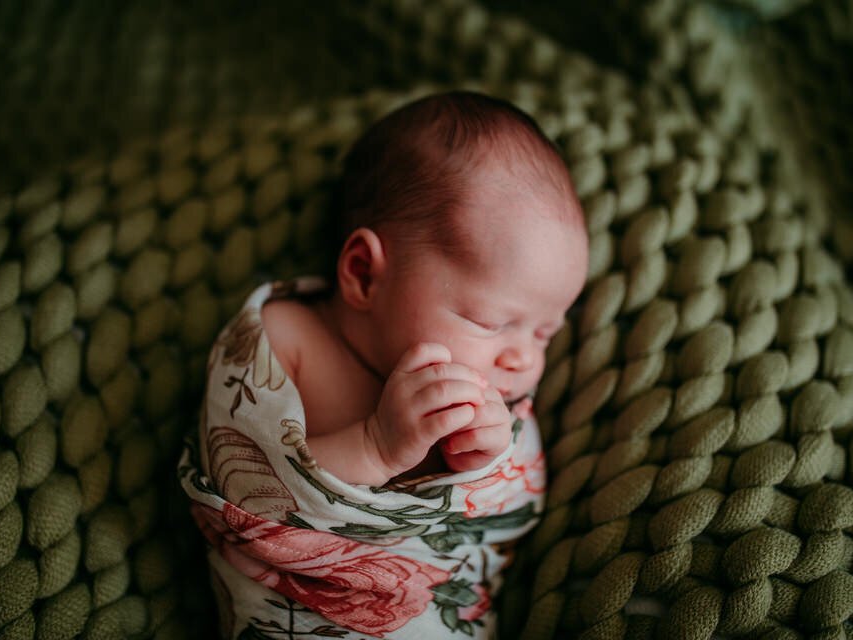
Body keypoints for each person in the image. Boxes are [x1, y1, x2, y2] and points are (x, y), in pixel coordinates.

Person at [181, 90, 588, 639]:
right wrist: (374, 446)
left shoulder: (495, 399)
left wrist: (483, 465)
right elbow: (244, 490)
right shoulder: (286, 338)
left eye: (545, 333)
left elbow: (507, 516)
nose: (523, 357)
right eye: (491, 322)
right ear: (366, 274)